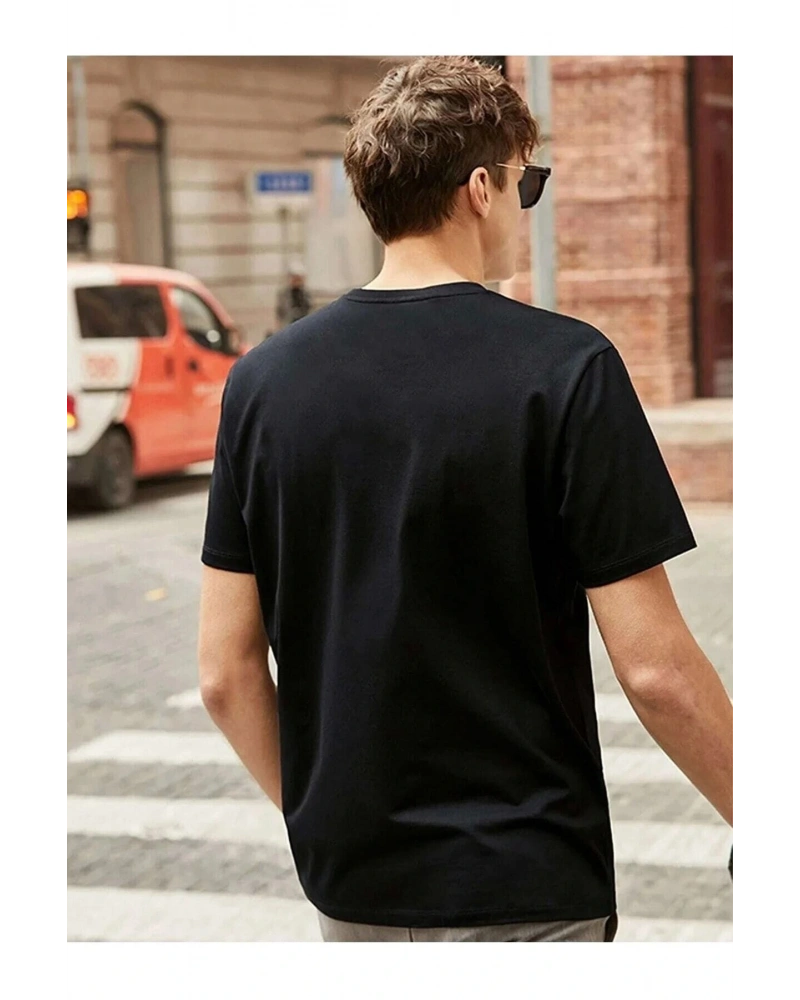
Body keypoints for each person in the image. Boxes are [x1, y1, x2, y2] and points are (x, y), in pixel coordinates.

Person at [198, 56, 734, 943]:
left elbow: (225, 674)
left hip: (355, 893)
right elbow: (656, 671)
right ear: (481, 189)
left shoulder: (261, 383)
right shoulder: (566, 367)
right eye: (529, 184)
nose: (528, 209)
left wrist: (325, 826)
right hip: (526, 881)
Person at [275, 262, 312, 328]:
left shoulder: (306, 294)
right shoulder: (283, 294)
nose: (297, 281)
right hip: (288, 325)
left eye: (299, 278)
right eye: (295, 278)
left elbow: (309, 309)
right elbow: (280, 313)